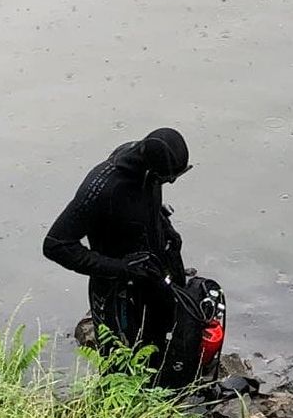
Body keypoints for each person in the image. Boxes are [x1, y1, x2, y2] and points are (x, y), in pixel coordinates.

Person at [43, 127, 192, 385]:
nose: (171, 183)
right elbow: (56, 244)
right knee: (120, 371)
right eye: (168, 178)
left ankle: (161, 404)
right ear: (151, 168)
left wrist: (166, 230)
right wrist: (121, 267)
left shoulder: (147, 170)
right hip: (116, 291)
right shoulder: (102, 188)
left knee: (161, 353)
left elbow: (142, 208)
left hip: (150, 276)